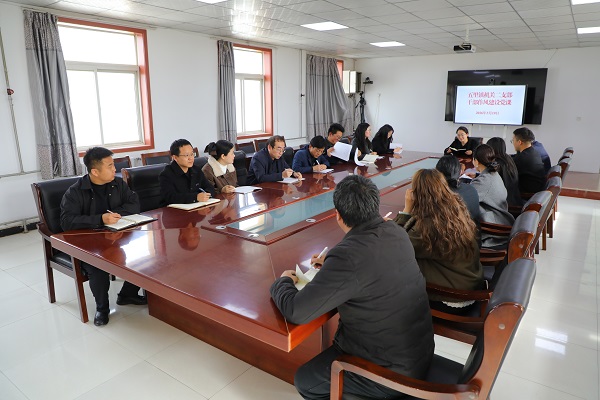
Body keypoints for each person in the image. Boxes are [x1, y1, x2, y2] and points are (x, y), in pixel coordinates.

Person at [270, 175, 434, 400]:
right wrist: (331, 264)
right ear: (375, 204)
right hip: (420, 352)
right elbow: (370, 264)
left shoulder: (348, 256)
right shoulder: (396, 231)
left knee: (305, 380)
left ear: (338, 215)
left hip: (391, 373)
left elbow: (297, 311)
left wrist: (282, 282)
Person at [60, 147, 147, 326]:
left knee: (144, 255)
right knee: (98, 266)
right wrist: (100, 219)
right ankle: (102, 308)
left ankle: (127, 294)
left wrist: (115, 215)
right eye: (110, 166)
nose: (115, 169)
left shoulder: (118, 184)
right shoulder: (75, 192)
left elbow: (134, 204)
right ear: (95, 171)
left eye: (113, 165)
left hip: (117, 237)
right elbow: (67, 222)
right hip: (88, 242)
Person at [394, 169, 483, 313]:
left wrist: (406, 211)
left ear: (417, 194)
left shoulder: (428, 227)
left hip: (452, 298)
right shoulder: (455, 209)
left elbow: (394, 245)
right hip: (469, 284)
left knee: (396, 270)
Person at [471, 144, 515, 249]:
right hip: (501, 221)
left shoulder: (483, 181)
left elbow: (465, 198)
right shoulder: (493, 174)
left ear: (476, 161)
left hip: (493, 231)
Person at [159, 139, 215, 206]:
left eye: (192, 154)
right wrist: (195, 197)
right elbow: (170, 197)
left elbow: (210, 187)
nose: (191, 158)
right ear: (175, 157)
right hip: (174, 210)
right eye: (186, 155)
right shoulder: (166, 174)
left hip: (196, 206)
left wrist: (206, 195)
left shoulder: (196, 170)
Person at [435, 155, 480, 223]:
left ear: (437, 173)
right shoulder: (472, 189)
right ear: (460, 172)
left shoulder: (436, 193)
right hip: (472, 228)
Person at [487, 137, 522, 207]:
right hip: (514, 198)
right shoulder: (507, 158)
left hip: (504, 203)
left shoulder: (496, 164)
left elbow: (489, 183)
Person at [511, 127, 546, 194]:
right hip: (537, 188)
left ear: (519, 142)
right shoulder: (534, 152)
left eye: (513, 140)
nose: (513, 143)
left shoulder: (522, 158)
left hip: (528, 193)